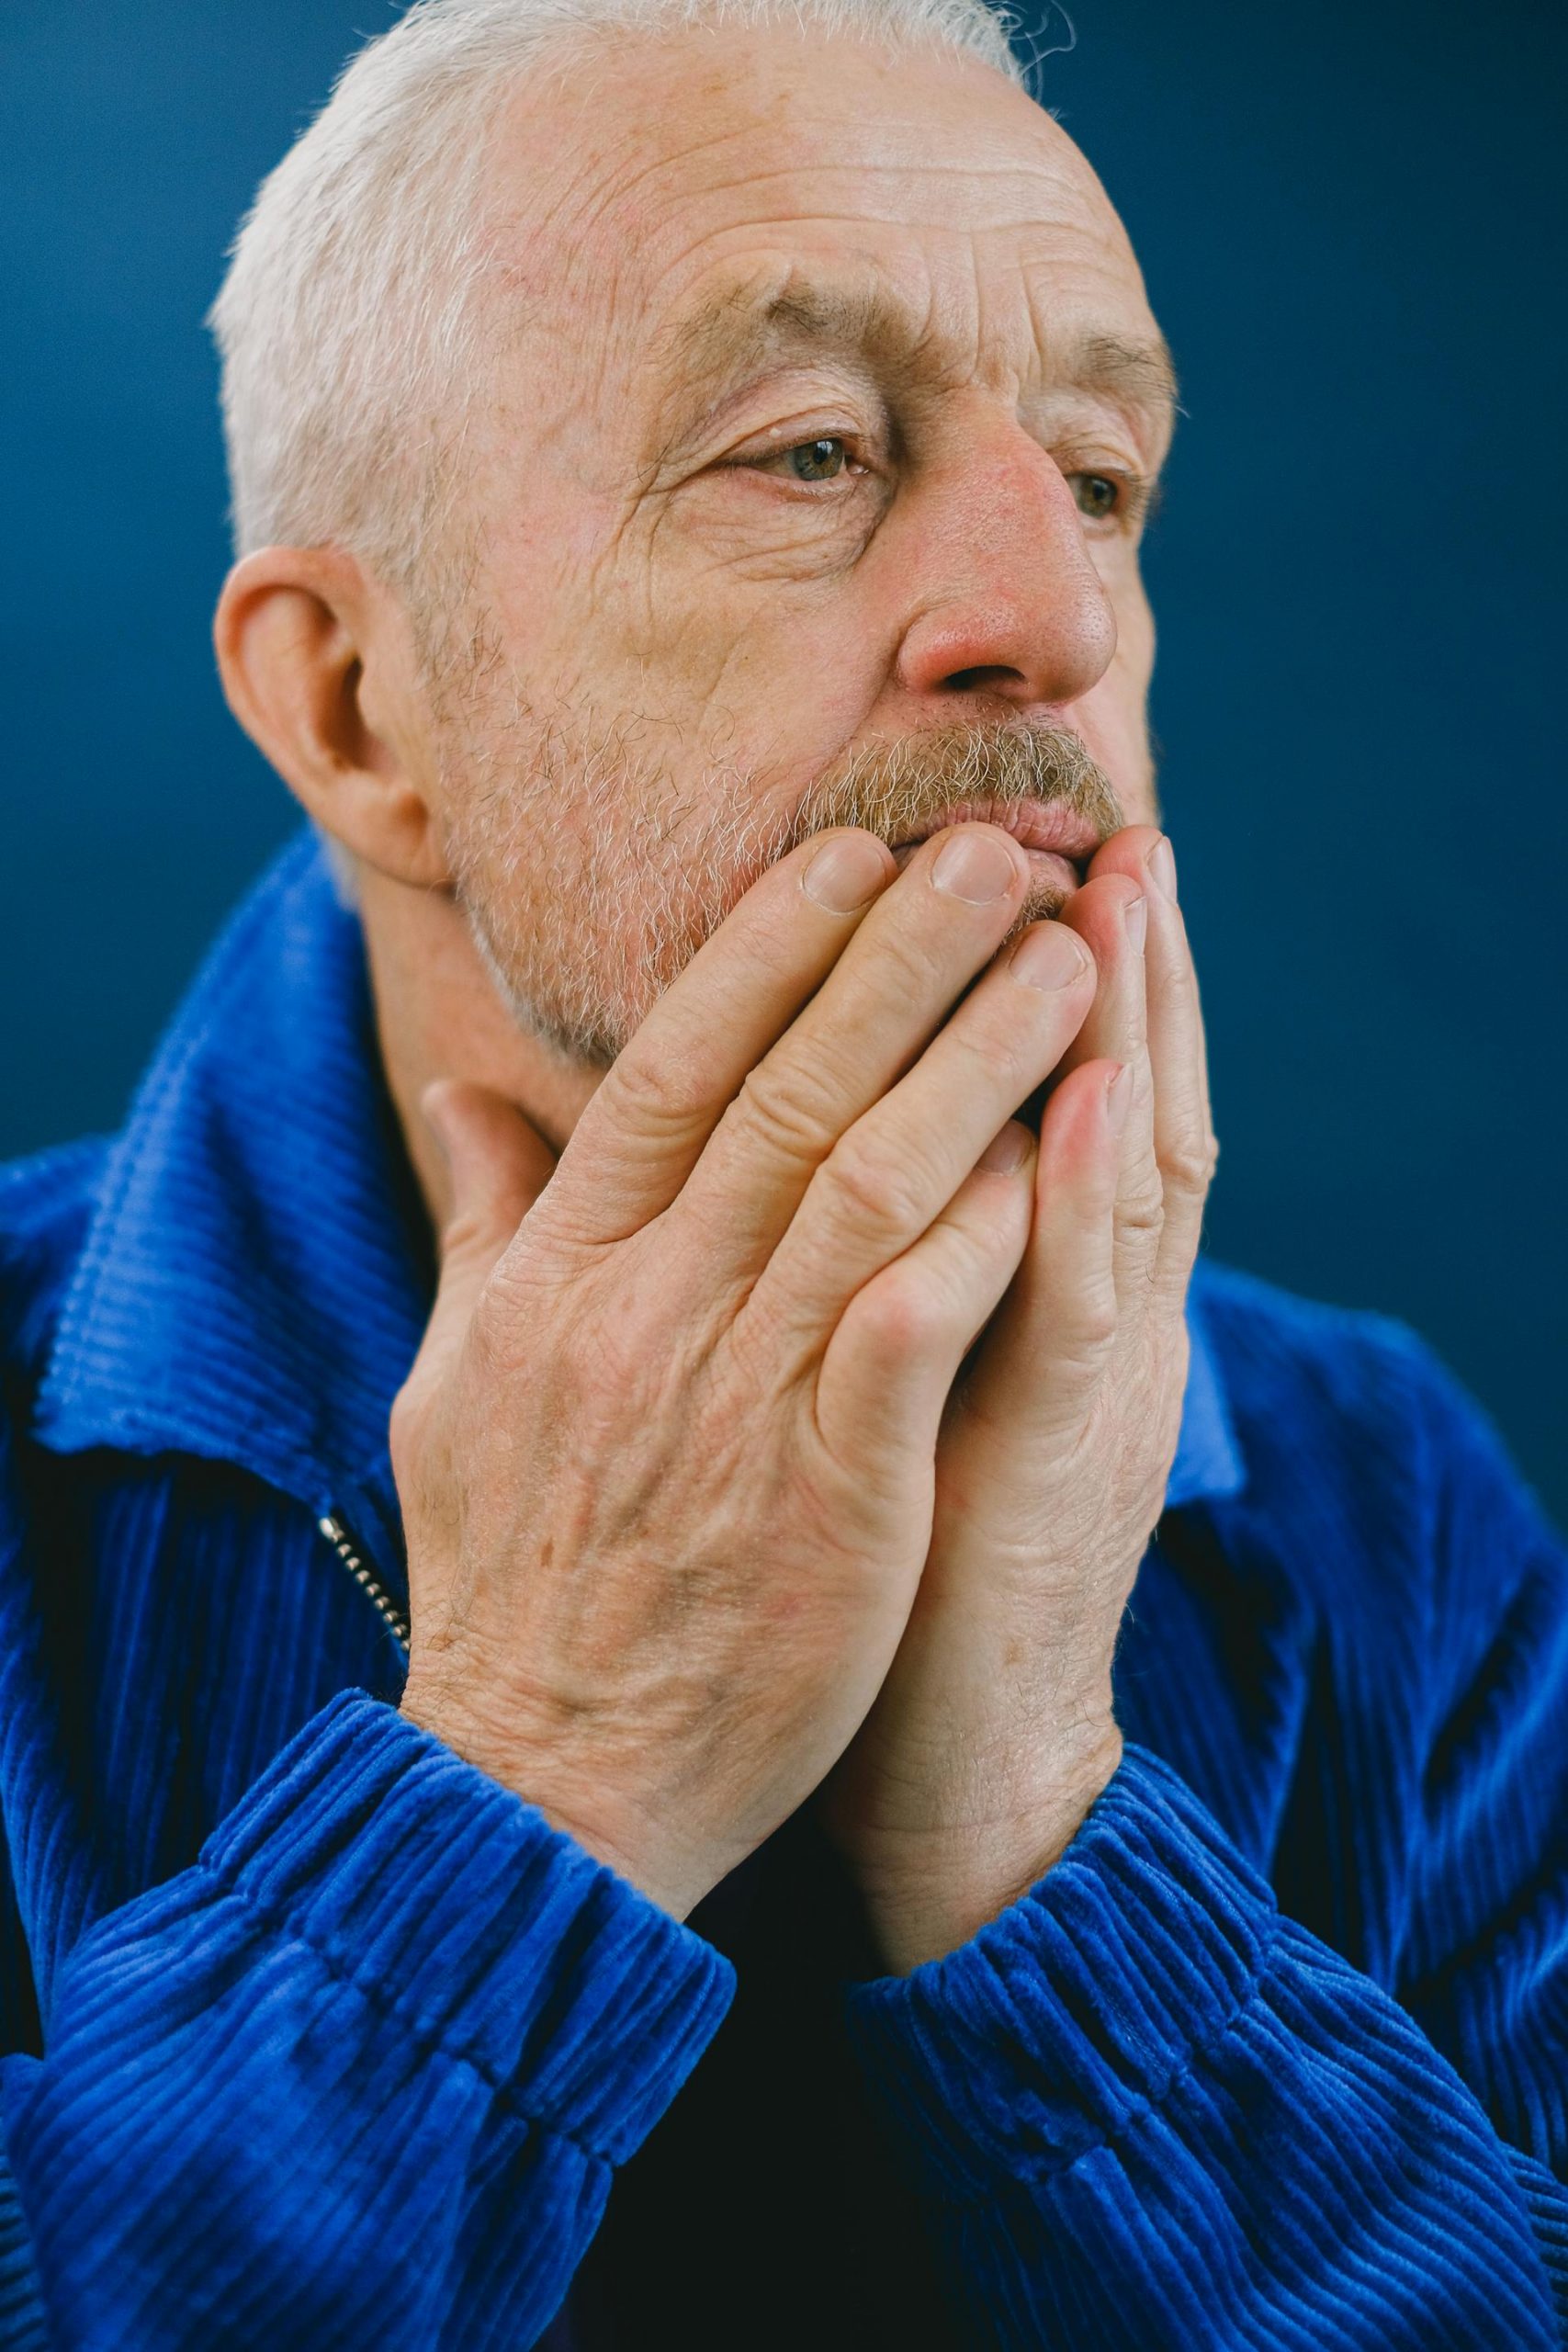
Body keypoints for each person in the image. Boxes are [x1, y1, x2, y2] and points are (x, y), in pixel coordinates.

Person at [1, 0, 1563, 2341]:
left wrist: (1031, 1819)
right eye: (812, 450)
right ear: (353, 704)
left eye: (1101, 476)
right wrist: (540, 1777)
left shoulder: (1381, 1496)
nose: (1050, 619)